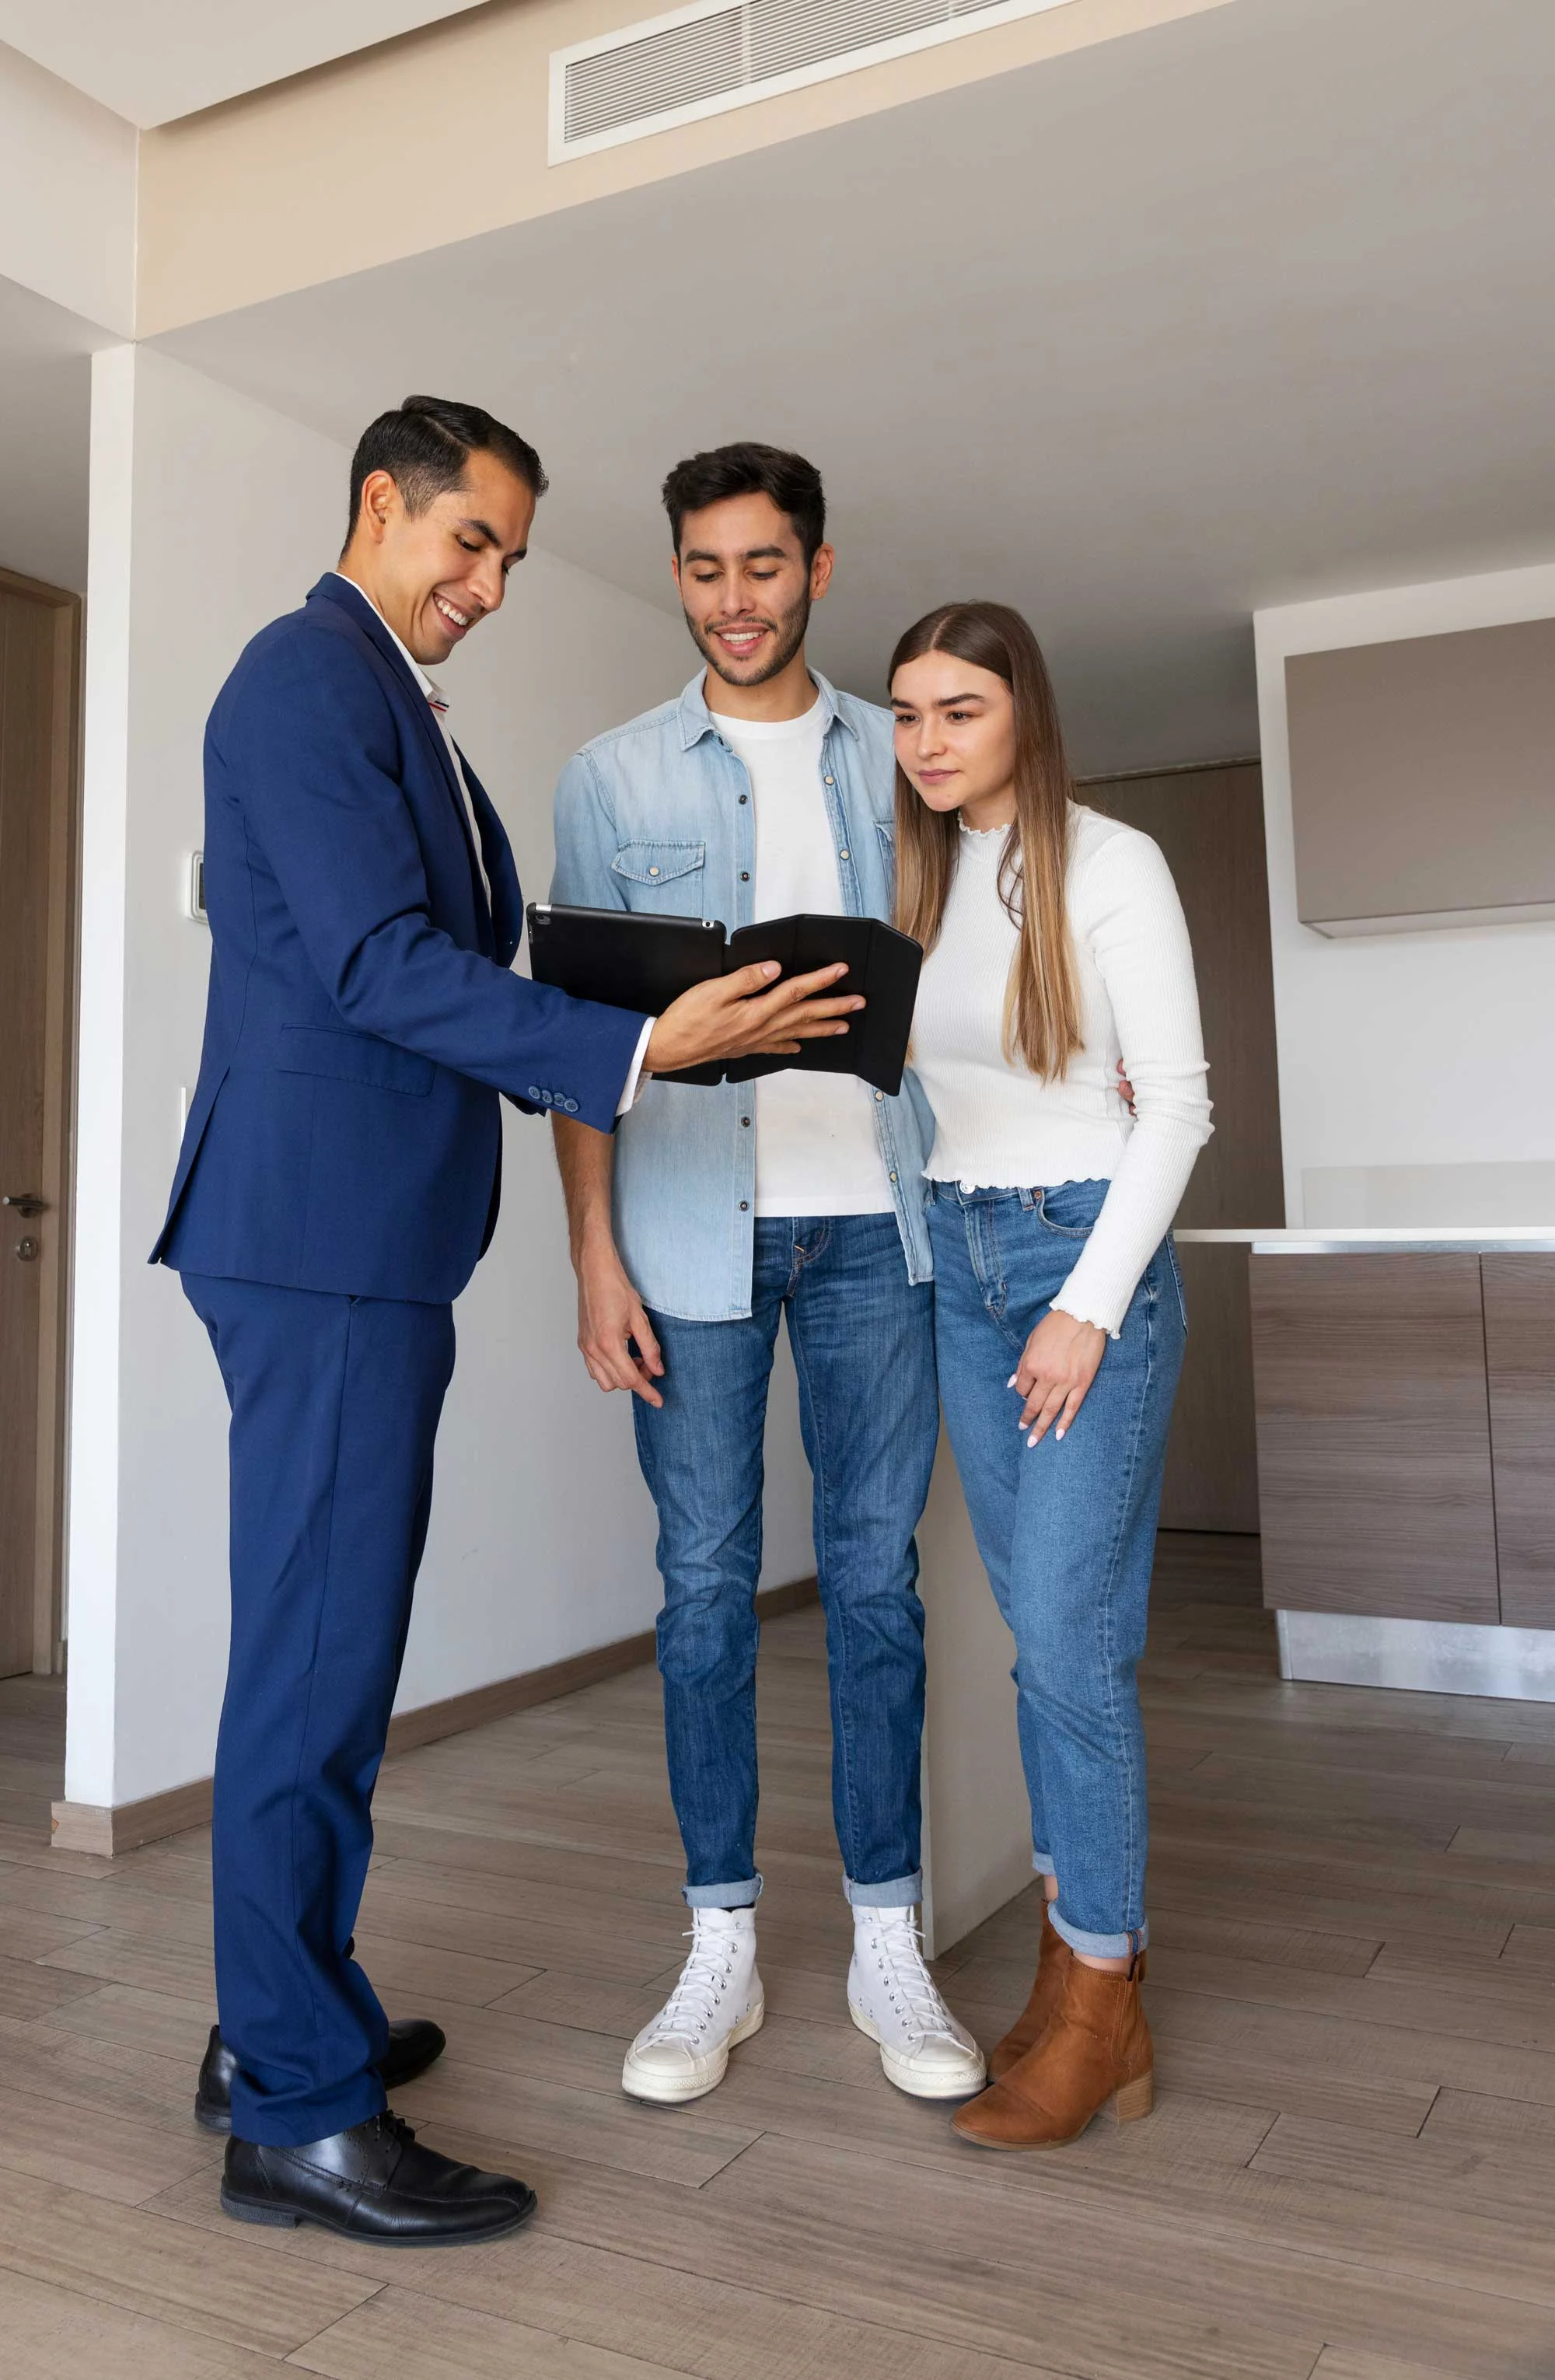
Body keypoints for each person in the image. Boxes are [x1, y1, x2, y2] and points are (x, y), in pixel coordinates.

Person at [151, 397, 858, 2245]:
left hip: (363, 1237)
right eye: (469, 544)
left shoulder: (390, 702)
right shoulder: (304, 680)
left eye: (511, 563)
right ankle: (296, 2117)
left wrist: (640, 983)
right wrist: (637, 1045)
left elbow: (454, 953)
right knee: (311, 1666)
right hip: (316, 1241)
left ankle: (278, 2021)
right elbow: (384, 967)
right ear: (380, 504)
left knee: (339, 1655)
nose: (488, 585)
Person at [550, 444, 984, 2108]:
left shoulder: (907, 751)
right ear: (678, 574)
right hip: (683, 1234)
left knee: (875, 1587)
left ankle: (890, 1934)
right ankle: (716, 1939)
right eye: (706, 569)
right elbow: (582, 1041)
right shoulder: (610, 774)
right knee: (707, 1592)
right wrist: (592, 1256)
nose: (737, 600)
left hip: (885, 1228)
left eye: (766, 566)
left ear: (817, 565)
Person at [889, 600, 1212, 2150]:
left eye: (957, 709)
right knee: (1038, 1639)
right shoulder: (926, 880)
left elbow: (1176, 1111)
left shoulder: (1109, 862)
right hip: (962, 1266)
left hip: (1079, 1266)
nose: (928, 740)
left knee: (1072, 1647)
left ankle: (1101, 1997)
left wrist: (1086, 1305)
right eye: (905, 714)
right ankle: (1084, 1969)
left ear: (1024, 714)